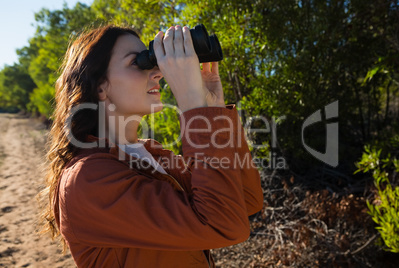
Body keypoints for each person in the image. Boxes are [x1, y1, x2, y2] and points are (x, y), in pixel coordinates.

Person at [40, 24, 263, 267]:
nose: (157, 72)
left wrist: (215, 111)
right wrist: (195, 109)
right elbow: (223, 224)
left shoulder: (151, 154)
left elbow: (246, 199)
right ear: (100, 86)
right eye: (139, 63)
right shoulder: (87, 179)